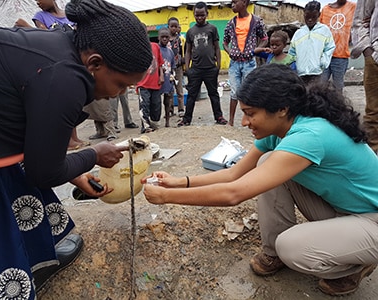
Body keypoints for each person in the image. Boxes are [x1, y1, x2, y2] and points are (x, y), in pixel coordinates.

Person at [142, 63, 378, 296]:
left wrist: (166, 197)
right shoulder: (281, 129)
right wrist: (178, 182)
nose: (244, 123)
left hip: (372, 221)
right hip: (345, 210)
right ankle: (274, 252)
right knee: (265, 163)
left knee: (292, 247)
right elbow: (234, 174)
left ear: (282, 109)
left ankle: (352, 266)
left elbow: (234, 193)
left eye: (250, 114)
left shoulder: (309, 136)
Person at [0, 0, 153, 298]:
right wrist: (94, 155)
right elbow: (43, 172)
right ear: (95, 64)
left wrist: (76, 173)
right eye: (121, 85)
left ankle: (34, 259)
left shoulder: (62, 45)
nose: (120, 94)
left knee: (15, 179)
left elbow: (39, 141)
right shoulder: (64, 80)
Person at [15, 0, 88, 151]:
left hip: (74, 61)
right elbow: (44, 38)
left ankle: (74, 138)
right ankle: (67, 140)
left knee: (73, 101)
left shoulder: (69, 14)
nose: (37, 2)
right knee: (62, 102)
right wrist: (26, 26)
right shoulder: (40, 17)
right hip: (56, 64)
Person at [178, 1, 228, 127]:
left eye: (202, 15)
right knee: (191, 95)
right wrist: (187, 68)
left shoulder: (212, 29)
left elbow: (216, 47)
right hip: (195, 69)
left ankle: (219, 116)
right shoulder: (190, 31)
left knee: (213, 94)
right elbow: (188, 50)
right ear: (194, 14)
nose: (200, 18)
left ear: (207, 14)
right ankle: (186, 119)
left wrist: (218, 65)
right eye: (197, 15)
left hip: (211, 68)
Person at [223, 0, 268, 126]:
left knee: (250, 92)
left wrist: (255, 50)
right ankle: (231, 122)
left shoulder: (256, 21)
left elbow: (264, 38)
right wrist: (229, 52)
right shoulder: (231, 23)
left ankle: (251, 120)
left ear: (244, 2)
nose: (232, 5)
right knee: (234, 92)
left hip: (249, 62)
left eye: (235, 2)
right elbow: (225, 42)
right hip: (234, 62)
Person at [351, 0, 378, 153]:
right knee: (374, 113)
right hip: (376, 57)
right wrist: (368, 51)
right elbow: (360, 20)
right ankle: (372, 162)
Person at [288, 0, 336, 85]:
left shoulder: (324, 30)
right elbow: (292, 51)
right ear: (304, 15)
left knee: (315, 94)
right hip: (300, 72)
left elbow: (330, 47)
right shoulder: (299, 33)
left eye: (313, 17)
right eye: (307, 17)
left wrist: (323, 62)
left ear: (319, 15)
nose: (310, 20)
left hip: (317, 72)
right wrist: (294, 64)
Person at [320, 0, 356, 92]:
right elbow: (320, 31)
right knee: (321, 85)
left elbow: (361, 21)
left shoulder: (353, 7)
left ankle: (337, 105)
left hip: (341, 55)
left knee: (338, 86)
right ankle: (321, 105)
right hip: (324, 55)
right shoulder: (325, 10)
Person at [137, 37, 164, 134]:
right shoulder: (136, 48)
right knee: (145, 105)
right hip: (142, 83)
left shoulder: (155, 46)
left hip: (155, 82)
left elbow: (160, 63)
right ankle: (146, 126)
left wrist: (161, 76)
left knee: (156, 104)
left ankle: (154, 123)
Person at [158, 27, 176, 127]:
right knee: (156, 101)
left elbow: (173, 65)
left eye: (166, 37)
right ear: (158, 38)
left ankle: (167, 121)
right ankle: (155, 120)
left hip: (167, 80)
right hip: (158, 80)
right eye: (162, 37)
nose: (164, 39)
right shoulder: (156, 49)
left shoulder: (170, 52)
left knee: (167, 101)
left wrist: (172, 76)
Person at [168, 17, 185, 117]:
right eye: (172, 26)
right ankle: (169, 110)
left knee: (179, 90)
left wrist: (184, 63)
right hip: (168, 69)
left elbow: (184, 51)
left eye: (176, 26)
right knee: (169, 91)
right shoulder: (165, 39)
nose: (174, 28)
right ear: (168, 27)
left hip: (178, 68)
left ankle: (181, 109)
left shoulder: (180, 39)